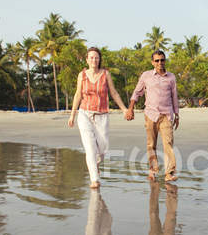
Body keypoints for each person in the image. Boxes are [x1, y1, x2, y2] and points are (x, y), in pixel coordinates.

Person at [68, 47, 128, 188]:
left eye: (96, 57)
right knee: (90, 148)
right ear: (87, 59)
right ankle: (94, 179)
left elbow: (113, 93)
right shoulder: (81, 75)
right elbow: (78, 95)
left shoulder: (105, 74)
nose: (94, 60)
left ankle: (97, 163)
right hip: (84, 114)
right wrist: (72, 114)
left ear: (99, 59)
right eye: (91, 57)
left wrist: (124, 109)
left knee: (103, 148)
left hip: (102, 115)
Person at [125, 50, 180, 182]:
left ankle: (169, 173)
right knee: (151, 144)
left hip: (166, 114)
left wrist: (177, 115)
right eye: (157, 60)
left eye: (162, 60)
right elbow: (137, 92)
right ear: (152, 62)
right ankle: (153, 170)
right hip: (150, 114)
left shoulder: (171, 77)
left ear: (165, 61)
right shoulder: (146, 76)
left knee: (168, 143)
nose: (160, 63)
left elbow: (174, 97)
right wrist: (130, 109)